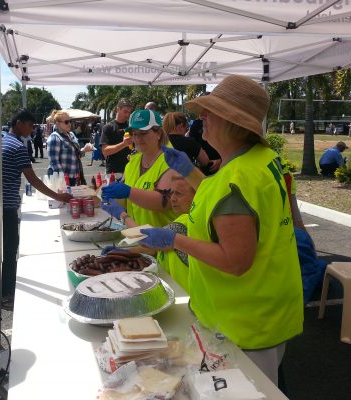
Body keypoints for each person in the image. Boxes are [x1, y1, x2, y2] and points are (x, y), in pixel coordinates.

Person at [137, 75, 304, 385]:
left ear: (233, 122)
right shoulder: (261, 160)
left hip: (243, 321)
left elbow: (235, 260)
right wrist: (193, 173)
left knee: (248, 390)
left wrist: (175, 240)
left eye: (210, 112)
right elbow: (229, 206)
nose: (202, 119)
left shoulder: (236, 179)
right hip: (268, 305)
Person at [1, 108, 72, 310]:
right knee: (10, 249)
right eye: (30, 125)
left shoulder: (3, 140)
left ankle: (6, 290)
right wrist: (58, 196)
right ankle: (7, 295)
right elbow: (32, 179)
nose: (32, 130)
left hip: (0, 202)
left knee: (6, 249)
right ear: (19, 123)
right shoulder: (17, 146)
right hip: (7, 206)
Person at [103, 175, 195, 292]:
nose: (172, 199)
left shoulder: (183, 224)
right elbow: (156, 249)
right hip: (171, 283)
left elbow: (146, 239)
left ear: (197, 196)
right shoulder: (184, 218)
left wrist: (122, 215)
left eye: (179, 194)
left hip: (184, 292)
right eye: (172, 193)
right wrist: (126, 252)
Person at [101, 109, 177, 228]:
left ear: (158, 133)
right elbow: (126, 200)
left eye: (143, 133)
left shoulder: (171, 161)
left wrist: (128, 192)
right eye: (134, 134)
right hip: (137, 238)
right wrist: (107, 197)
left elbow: (163, 202)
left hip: (164, 241)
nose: (138, 138)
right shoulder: (132, 162)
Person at [47, 110, 93, 185]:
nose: (69, 124)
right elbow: (54, 163)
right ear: (58, 123)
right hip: (62, 179)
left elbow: (77, 155)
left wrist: (84, 149)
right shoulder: (55, 137)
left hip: (75, 177)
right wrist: (63, 181)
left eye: (70, 121)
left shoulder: (71, 135)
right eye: (66, 122)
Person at [100, 98, 134, 176]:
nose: (127, 115)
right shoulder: (108, 127)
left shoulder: (132, 127)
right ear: (118, 109)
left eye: (129, 112)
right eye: (125, 111)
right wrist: (124, 144)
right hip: (114, 172)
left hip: (131, 171)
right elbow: (105, 151)